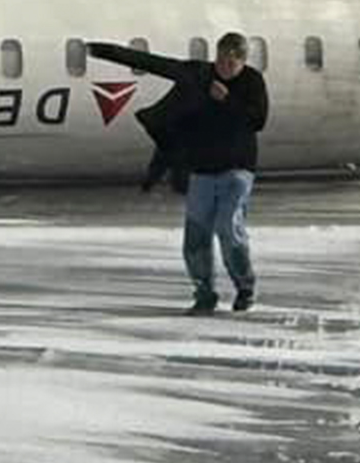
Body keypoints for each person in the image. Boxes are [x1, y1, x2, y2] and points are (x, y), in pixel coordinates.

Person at [88, 33, 269, 315]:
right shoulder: (198, 74)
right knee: (195, 238)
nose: (225, 67)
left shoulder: (251, 81)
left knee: (228, 228)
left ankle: (245, 287)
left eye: (232, 63)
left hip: (237, 170)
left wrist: (228, 99)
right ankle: (204, 293)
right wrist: (107, 51)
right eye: (221, 60)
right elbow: (156, 63)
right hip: (202, 171)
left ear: (243, 61)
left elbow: (258, 120)